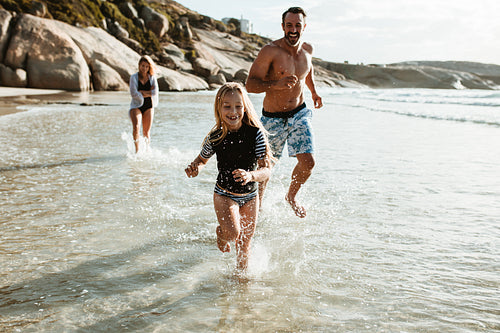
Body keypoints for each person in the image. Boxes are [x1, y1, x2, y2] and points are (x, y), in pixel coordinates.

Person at [185, 83, 273, 272]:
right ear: (219, 108)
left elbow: (266, 170)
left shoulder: (255, 134)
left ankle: (240, 284)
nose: (233, 111)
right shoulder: (216, 136)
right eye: (227, 106)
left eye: (238, 106)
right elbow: (202, 159)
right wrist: (195, 167)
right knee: (233, 234)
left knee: (244, 245)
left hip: (250, 197)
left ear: (245, 107)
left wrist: (251, 175)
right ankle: (222, 233)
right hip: (224, 194)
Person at [246, 6, 323, 218]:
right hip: (272, 119)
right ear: (282, 26)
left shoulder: (308, 49)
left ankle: (291, 197)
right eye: (289, 25)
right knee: (265, 167)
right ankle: (258, 206)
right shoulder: (270, 51)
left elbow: (306, 71)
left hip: (299, 113)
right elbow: (250, 85)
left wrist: (314, 92)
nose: (293, 29)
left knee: (308, 162)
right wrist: (276, 85)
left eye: (297, 25)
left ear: (304, 27)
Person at [129, 55, 159, 153]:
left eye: (147, 66)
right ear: (139, 65)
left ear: (149, 67)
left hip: (149, 106)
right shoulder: (133, 77)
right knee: (136, 127)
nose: (144, 68)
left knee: (146, 132)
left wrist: (142, 92)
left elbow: (155, 92)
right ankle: (137, 151)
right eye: (142, 66)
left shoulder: (152, 78)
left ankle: (146, 151)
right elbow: (133, 93)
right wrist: (147, 93)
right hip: (136, 106)